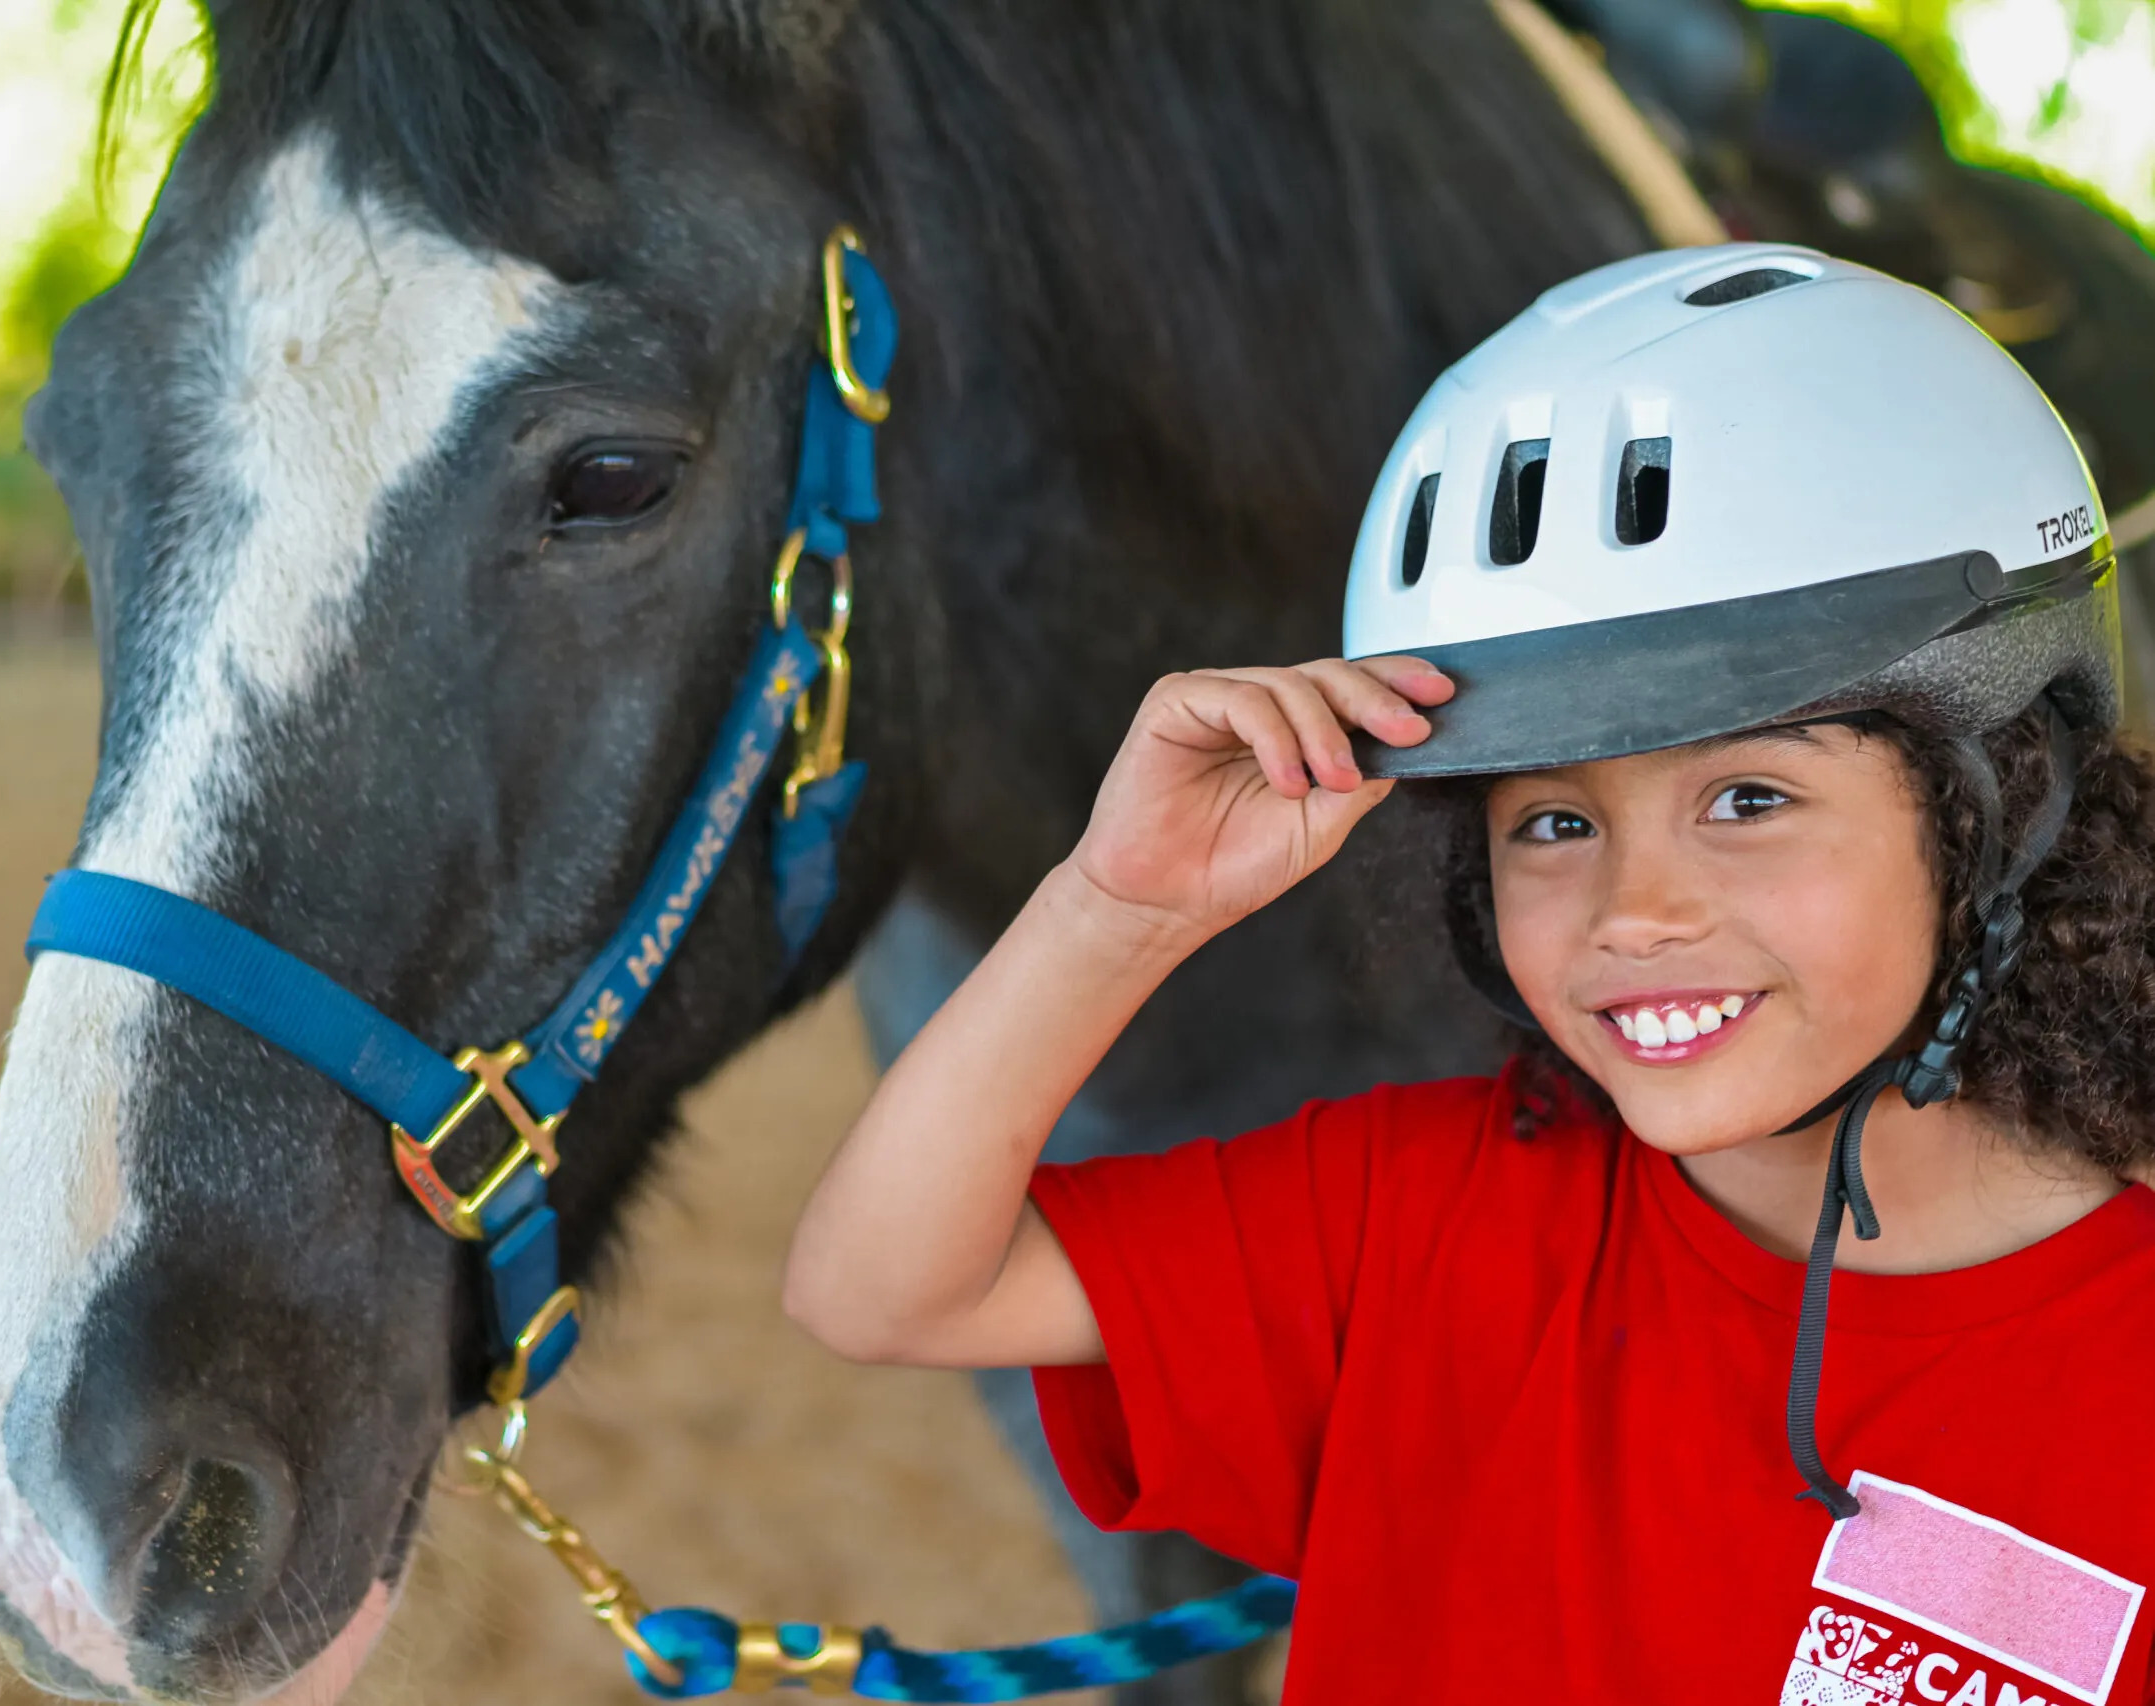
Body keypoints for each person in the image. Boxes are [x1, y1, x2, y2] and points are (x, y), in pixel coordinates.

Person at [784, 244, 2155, 1703]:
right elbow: (879, 1290)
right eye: (1552, 822)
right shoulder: (1415, 1221)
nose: (1633, 910)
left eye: (1747, 799)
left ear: (2000, 800)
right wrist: (1113, 909)